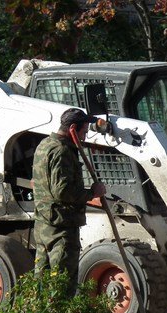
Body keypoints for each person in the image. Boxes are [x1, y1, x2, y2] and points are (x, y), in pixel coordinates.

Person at [32, 108, 106, 294]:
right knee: (62, 286)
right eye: (84, 131)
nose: (85, 136)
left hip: (43, 226)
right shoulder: (62, 151)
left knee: (41, 285)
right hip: (60, 229)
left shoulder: (44, 144)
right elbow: (62, 192)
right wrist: (92, 193)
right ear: (73, 128)